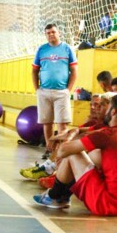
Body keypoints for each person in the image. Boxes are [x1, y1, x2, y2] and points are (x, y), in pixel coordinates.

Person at [33, 94, 117, 215]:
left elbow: (62, 151)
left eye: (107, 107)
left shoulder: (108, 134)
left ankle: (53, 196)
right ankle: (63, 196)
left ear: (113, 112)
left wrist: (65, 143)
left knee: (73, 154)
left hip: (106, 204)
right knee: (96, 154)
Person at [32, 23, 78, 159]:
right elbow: (34, 70)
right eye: (48, 33)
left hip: (61, 92)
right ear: (46, 35)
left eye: (53, 32)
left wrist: (68, 90)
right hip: (44, 92)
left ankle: (63, 150)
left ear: (59, 33)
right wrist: (37, 89)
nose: (51, 34)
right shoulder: (41, 50)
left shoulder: (67, 49)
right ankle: (49, 149)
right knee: (47, 123)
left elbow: (74, 71)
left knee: (62, 123)